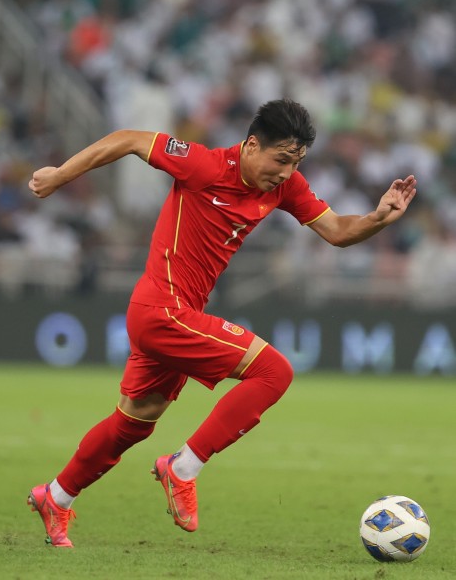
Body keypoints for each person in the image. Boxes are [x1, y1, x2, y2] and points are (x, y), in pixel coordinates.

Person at [25, 99, 417, 547]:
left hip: (180, 316)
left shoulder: (284, 187)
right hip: (161, 309)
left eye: (297, 163)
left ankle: (55, 498)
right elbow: (129, 140)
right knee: (275, 371)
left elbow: (339, 232)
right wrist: (59, 176)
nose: (287, 173)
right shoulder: (203, 165)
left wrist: (379, 217)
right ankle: (182, 467)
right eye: (282, 160)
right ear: (252, 145)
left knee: (135, 421)